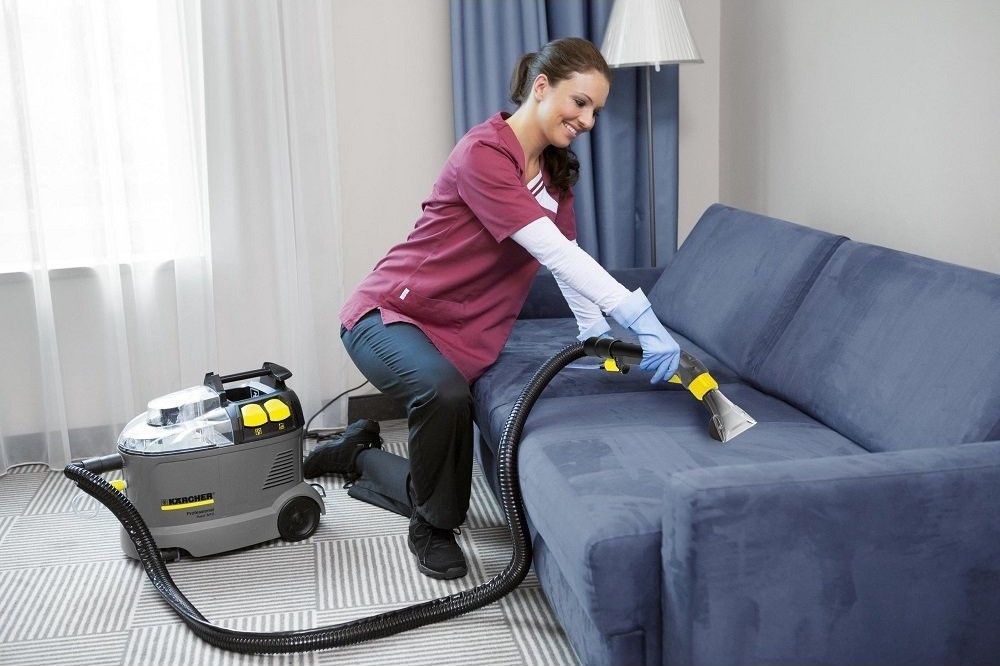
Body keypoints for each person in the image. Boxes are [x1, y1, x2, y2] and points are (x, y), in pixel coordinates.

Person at [327, 37, 680, 580]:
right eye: (579, 102)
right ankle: (433, 529)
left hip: (463, 330)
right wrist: (639, 314)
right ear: (541, 87)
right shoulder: (484, 154)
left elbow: (568, 259)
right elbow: (552, 250)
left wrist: (596, 333)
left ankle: (354, 455)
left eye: (596, 110)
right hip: (391, 314)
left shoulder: (554, 173)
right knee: (444, 395)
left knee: (442, 431)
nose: (588, 120)